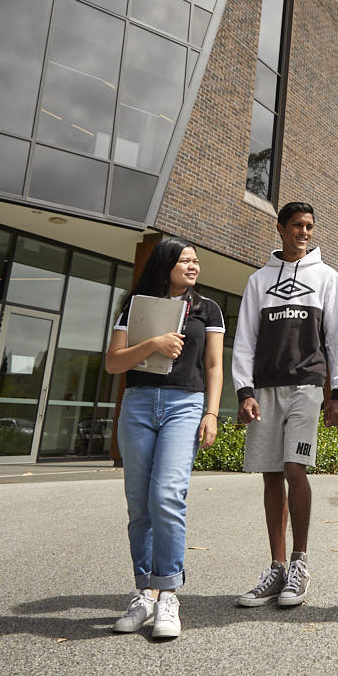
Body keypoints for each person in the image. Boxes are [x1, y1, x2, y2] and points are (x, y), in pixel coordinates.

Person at [105, 238, 224, 640]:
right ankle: (146, 593)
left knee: (167, 495)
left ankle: (169, 594)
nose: (193, 266)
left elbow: (213, 365)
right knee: (139, 503)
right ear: (166, 264)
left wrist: (211, 412)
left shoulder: (208, 309)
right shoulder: (136, 308)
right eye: (185, 260)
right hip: (138, 404)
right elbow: (113, 363)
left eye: (196, 261)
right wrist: (153, 344)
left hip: (185, 405)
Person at [233, 202, 338, 608]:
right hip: (265, 387)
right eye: (297, 226)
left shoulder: (326, 276)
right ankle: (277, 566)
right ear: (280, 228)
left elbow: (337, 339)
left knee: (294, 467)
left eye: (310, 227)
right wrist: (244, 390)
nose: (304, 232)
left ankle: (300, 563)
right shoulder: (258, 280)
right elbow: (245, 338)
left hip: (307, 385)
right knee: (270, 474)